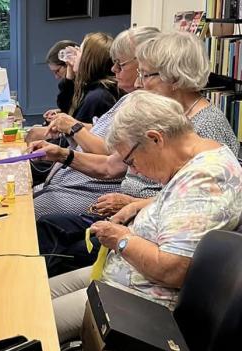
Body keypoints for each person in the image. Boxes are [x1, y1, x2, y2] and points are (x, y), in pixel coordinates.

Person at [33, 29, 241, 274]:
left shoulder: (207, 127)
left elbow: (197, 207)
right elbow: (112, 165)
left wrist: (133, 205)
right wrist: (62, 154)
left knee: (59, 250)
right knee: (47, 229)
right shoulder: (163, 113)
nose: (139, 83)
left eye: (146, 75)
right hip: (131, 217)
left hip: (150, 231)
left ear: (175, 77)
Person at [49, 91, 242, 343]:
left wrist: (121, 239)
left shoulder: (205, 179)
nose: (134, 171)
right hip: (128, 277)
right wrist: (138, 205)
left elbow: (173, 269)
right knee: (40, 293)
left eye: (131, 161)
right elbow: (183, 204)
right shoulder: (202, 154)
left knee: (34, 320)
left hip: (142, 301)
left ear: (155, 139)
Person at [46, 39, 80, 115]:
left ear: (69, 63)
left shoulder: (90, 85)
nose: (56, 77)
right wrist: (60, 112)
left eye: (57, 71)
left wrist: (69, 78)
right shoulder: (67, 84)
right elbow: (65, 106)